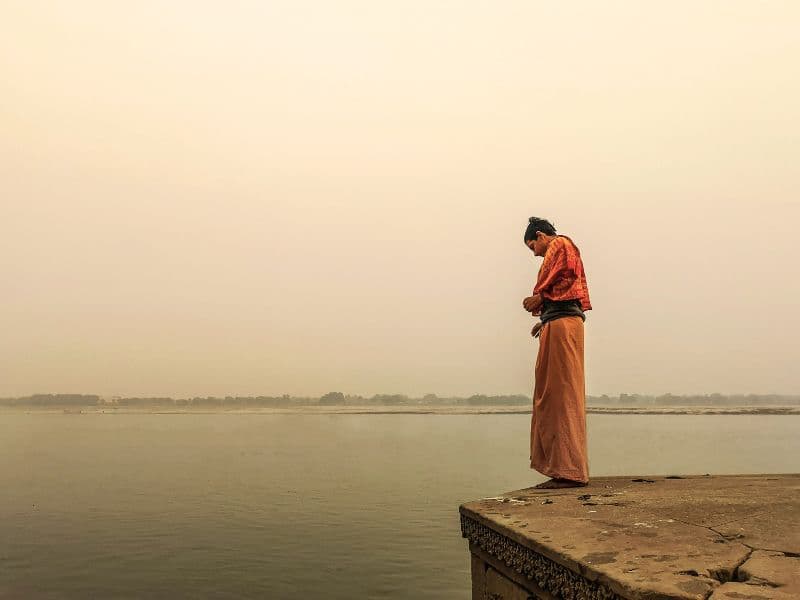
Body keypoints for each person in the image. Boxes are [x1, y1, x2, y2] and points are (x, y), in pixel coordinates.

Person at [522, 217, 592, 489]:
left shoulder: (560, 244)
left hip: (563, 325)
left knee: (561, 395)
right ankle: (563, 468)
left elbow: (565, 274)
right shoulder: (557, 250)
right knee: (552, 395)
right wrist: (544, 319)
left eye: (532, 247)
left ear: (540, 236)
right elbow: (564, 290)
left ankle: (569, 471)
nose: (535, 253)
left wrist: (540, 298)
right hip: (558, 322)